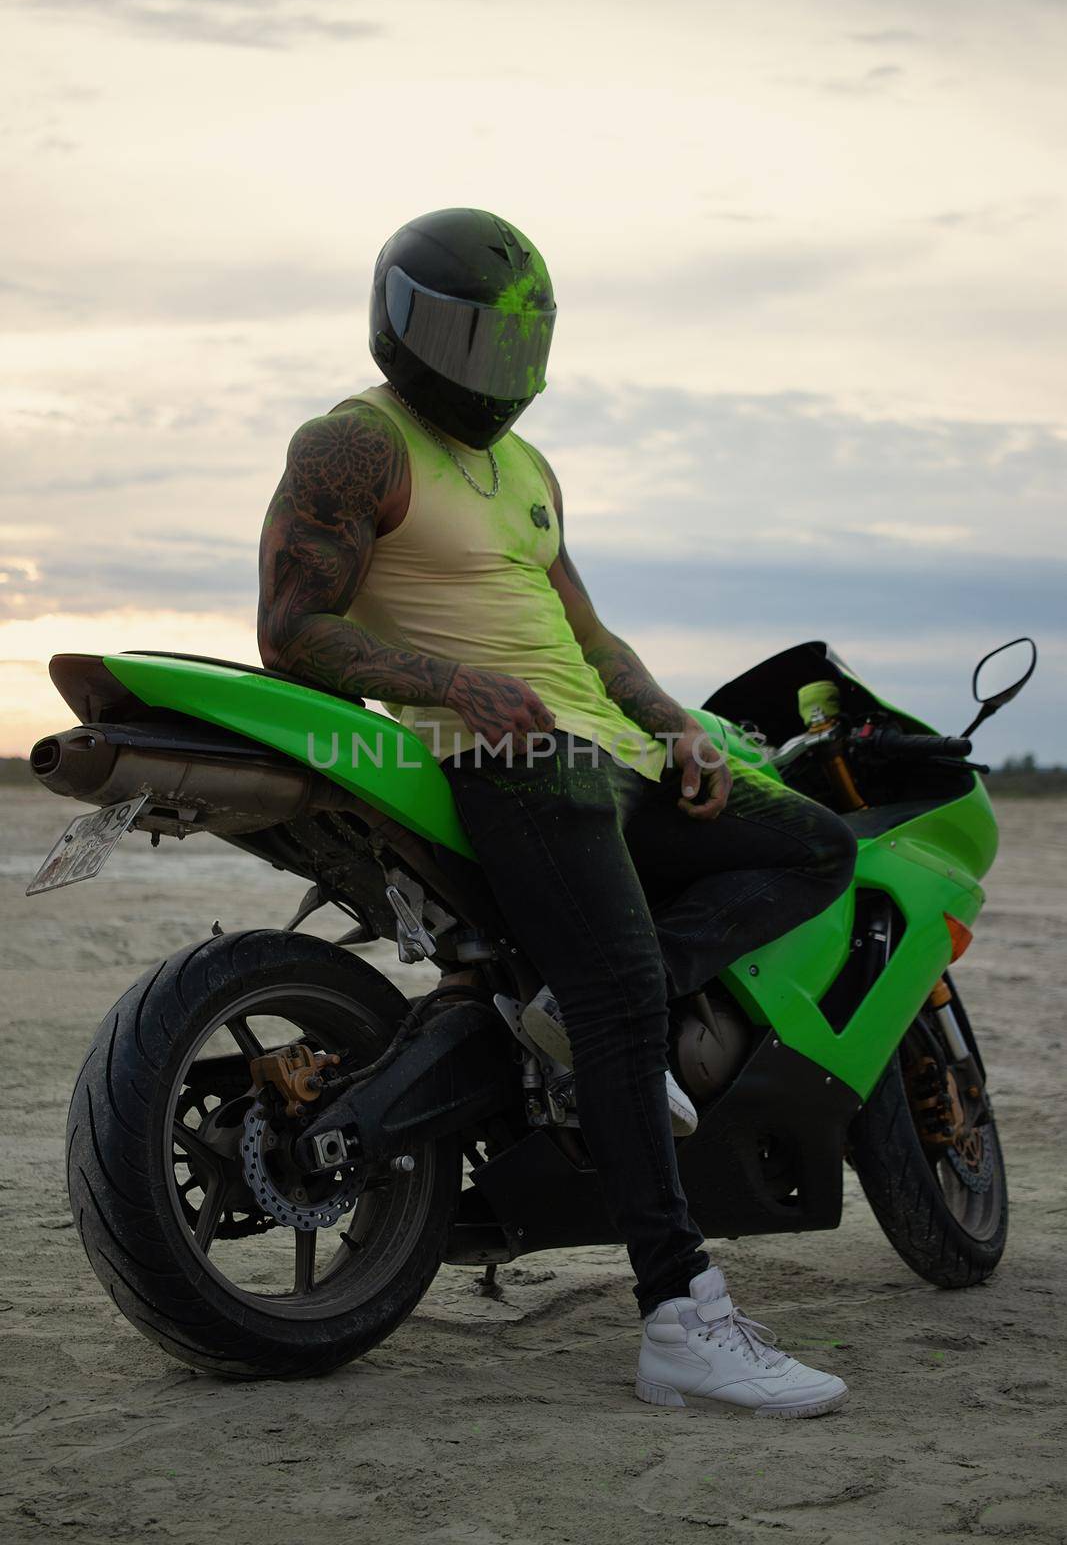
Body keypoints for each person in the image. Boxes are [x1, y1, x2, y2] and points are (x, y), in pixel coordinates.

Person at [257, 207, 857, 1417]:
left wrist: (678, 722)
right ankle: (681, 1316)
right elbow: (289, 632)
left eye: (511, 344)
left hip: (614, 749)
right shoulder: (353, 445)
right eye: (470, 342)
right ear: (399, 325)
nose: (492, 371)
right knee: (624, 991)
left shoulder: (528, 472)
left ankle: (572, 1012)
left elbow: (589, 633)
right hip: (512, 755)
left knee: (813, 846)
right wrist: (447, 682)